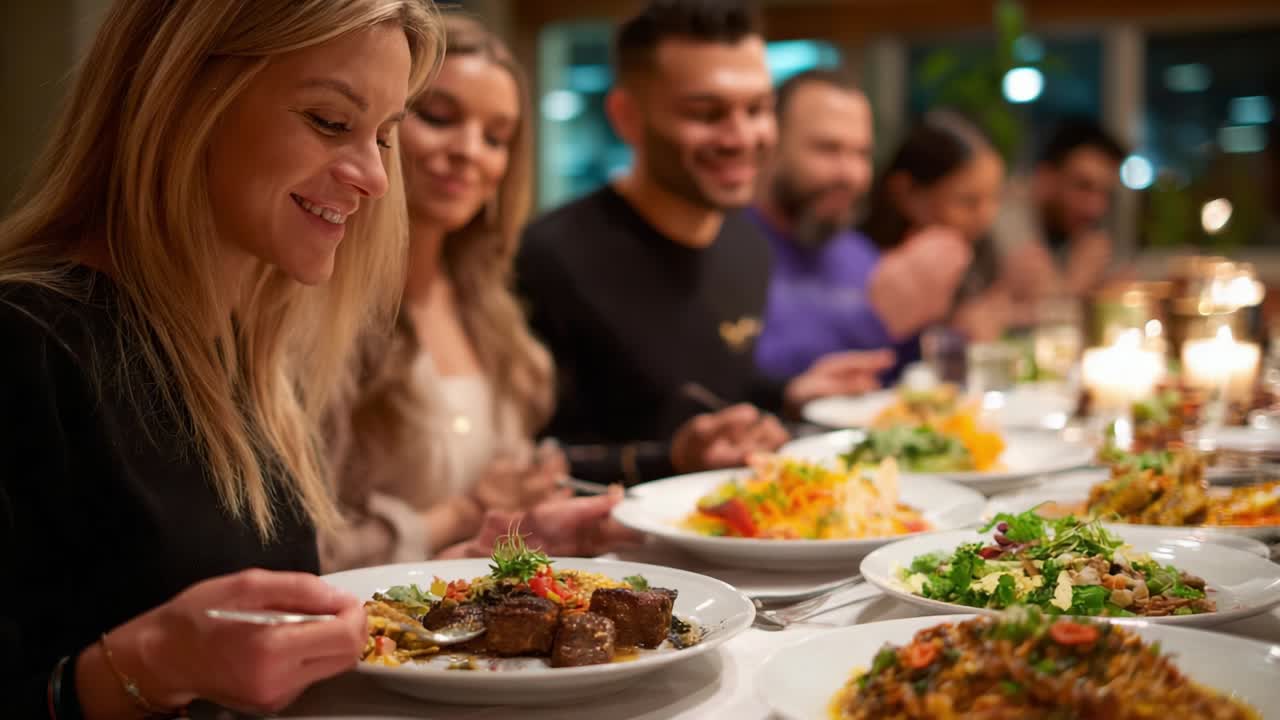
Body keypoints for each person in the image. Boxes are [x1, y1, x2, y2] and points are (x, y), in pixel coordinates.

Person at [0, 1, 441, 716]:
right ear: (182, 100)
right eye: (331, 122)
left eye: (385, 137)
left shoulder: (247, 349)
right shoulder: (26, 341)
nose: (375, 177)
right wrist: (149, 664)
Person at [516, 0, 890, 486]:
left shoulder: (748, 244)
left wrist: (787, 395)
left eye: (757, 109)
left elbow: (697, 390)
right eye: (707, 113)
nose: (741, 137)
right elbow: (524, 458)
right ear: (626, 117)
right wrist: (669, 458)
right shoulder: (550, 255)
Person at [324, 15, 635, 571]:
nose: (470, 150)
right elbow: (297, 554)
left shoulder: (491, 304)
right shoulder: (315, 308)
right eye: (439, 117)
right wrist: (465, 512)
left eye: (496, 137)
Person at [752, 69, 972, 383]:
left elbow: (900, 376)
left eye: (861, 153)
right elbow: (743, 374)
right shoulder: (728, 248)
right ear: (770, 145)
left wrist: (942, 327)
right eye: (827, 149)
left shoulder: (856, 252)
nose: (851, 174)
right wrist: (876, 321)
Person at [860, 111, 1009, 347]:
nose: (986, 216)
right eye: (968, 201)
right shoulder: (860, 262)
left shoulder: (978, 253)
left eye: (994, 198)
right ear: (907, 193)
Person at [996, 118, 1128, 305]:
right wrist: (1076, 284)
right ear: (1045, 177)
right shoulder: (1006, 217)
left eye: (1105, 193)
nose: (1095, 208)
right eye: (1083, 186)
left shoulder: (1074, 229)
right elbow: (1039, 314)